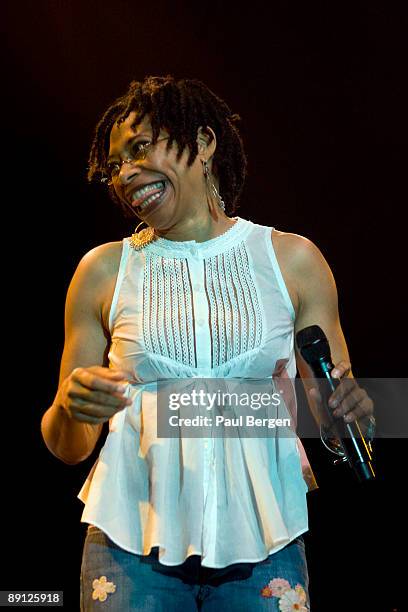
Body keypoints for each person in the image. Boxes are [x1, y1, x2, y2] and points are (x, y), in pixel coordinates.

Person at [41, 75, 374, 611]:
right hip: (128, 543)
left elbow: (336, 419)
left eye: (141, 147)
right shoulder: (103, 271)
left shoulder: (292, 260)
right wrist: (71, 406)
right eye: (115, 164)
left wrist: (350, 417)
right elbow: (67, 444)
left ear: (203, 142)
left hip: (264, 544)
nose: (125, 173)